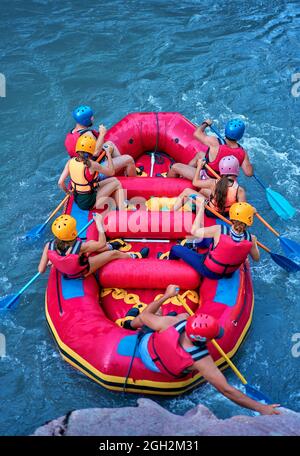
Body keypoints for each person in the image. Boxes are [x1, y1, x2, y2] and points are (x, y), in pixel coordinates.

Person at [127, 284, 280, 415]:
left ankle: (130, 324)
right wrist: (261, 408)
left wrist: (166, 296)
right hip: (163, 368)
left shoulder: (169, 323)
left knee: (170, 315)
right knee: (182, 315)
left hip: (146, 348)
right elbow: (227, 390)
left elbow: (146, 314)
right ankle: (132, 324)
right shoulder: (201, 360)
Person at [159, 202, 260, 280]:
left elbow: (194, 231)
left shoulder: (219, 230)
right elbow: (256, 258)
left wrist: (201, 209)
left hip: (209, 270)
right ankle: (192, 244)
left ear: (232, 217)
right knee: (210, 239)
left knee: (176, 249)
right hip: (229, 273)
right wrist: (254, 243)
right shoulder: (251, 238)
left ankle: (168, 261)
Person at [38, 214, 149, 278]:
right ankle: (134, 256)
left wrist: (54, 260)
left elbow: (41, 270)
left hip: (66, 271)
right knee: (113, 254)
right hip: (81, 272)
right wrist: (99, 222)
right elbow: (101, 242)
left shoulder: (49, 246)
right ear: (72, 232)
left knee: (91, 244)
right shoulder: (80, 247)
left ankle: (111, 246)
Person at [58, 134, 132, 211]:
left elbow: (60, 182)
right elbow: (111, 172)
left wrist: (68, 192)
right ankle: (123, 207)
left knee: (114, 180)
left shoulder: (70, 161)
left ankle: (118, 204)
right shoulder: (92, 164)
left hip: (79, 198)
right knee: (117, 184)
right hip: (88, 202)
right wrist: (108, 154)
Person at [167, 118, 253, 180]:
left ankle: (170, 184)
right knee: (200, 154)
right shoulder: (242, 152)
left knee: (175, 167)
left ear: (226, 130)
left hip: (208, 178)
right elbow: (249, 173)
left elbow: (197, 133)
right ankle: (184, 174)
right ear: (240, 136)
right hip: (225, 182)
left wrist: (206, 123)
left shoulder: (214, 142)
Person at [64, 105, 138, 176]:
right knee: (129, 159)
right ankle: (134, 182)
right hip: (94, 170)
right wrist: (102, 134)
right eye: (91, 117)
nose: (92, 118)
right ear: (86, 120)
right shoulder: (88, 135)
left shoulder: (71, 134)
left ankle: (123, 168)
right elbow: (96, 153)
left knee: (109, 143)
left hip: (81, 167)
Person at [173, 155, 246, 217]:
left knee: (187, 191)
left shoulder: (213, 182)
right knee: (204, 191)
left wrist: (199, 166)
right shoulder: (240, 190)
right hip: (226, 214)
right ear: (237, 170)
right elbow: (242, 209)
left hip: (211, 212)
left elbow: (195, 183)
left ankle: (172, 212)